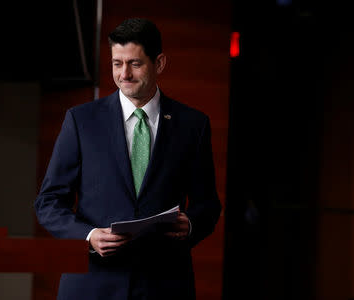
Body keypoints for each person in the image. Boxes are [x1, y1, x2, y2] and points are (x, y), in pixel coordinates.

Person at [35, 18, 221, 300]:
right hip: (92, 284)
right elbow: (48, 201)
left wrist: (191, 224)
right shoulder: (81, 120)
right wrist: (88, 236)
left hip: (165, 285)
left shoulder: (193, 125)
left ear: (159, 63)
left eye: (134, 63)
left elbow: (208, 204)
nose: (124, 74)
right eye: (116, 63)